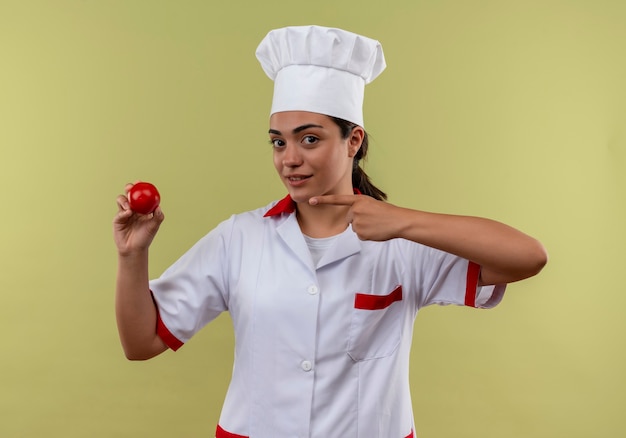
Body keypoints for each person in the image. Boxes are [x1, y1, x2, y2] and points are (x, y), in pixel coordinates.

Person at [113, 25, 547, 438]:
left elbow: (528, 256)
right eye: (279, 142)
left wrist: (402, 221)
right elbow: (141, 341)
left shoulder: (405, 243)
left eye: (309, 139)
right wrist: (133, 256)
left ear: (353, 141)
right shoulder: (240, 239)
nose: (289, 159)